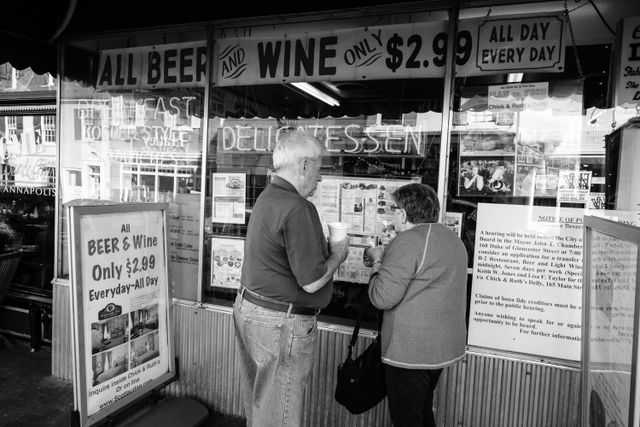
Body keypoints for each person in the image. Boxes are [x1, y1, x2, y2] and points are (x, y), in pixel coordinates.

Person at [233, 131, 349, 427]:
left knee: (262, 404)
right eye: (320, 168)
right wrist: (338, 254)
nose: (320, 178)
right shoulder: (298, 207)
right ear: (305, 165)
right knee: (281, 414)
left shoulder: (267, 196)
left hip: (251, 310)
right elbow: (311, 282)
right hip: (280, 324)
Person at [364, 183, 468, 427]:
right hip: (442, 347)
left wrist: (379, 262)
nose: (391, 216)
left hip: (411, 350)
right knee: (421, 411)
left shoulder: (408, 241)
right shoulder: (451, 239)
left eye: (393, 210)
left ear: (402, 213)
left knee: (407, 418)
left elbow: (382, 297)